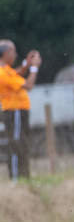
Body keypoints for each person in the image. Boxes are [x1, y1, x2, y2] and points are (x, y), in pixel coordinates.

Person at [0, 40, 41, 181]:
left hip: (17, 111)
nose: (16, 54)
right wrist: (34, 68)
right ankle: (17, 177)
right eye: (13, 51)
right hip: (14, 111)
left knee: (21, 143)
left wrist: (26, 64)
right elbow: (28, 85)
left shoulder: (7, 71)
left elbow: (17, 73)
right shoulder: (3, 73)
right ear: (6, 53)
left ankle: (23, 176)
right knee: (17, 143)